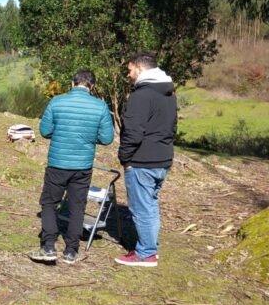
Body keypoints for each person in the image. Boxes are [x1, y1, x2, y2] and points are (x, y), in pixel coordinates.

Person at [29, 70, 114, 264]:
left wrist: (60, 134)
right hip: (82, 166)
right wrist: (90, 137)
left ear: (72, 83)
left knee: (49, 203)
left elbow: (45, 131)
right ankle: (71, 251)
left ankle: (48, 246)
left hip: (58, 163)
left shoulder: (56, 102)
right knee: (77, 207)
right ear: (92, 86)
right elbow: (107, 138)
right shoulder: (100, 107)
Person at [115, 52, 177, 267]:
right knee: (150, 206)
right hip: (162, 159)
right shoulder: (168, 93)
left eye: (130, 70)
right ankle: (150, 248)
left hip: (142, 162)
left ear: (140, 69)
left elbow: (133, 132)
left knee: (142, 209)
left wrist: (124, 157)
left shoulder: (142, 96)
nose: (128, 75)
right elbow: (172, 128)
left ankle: (145, 253)